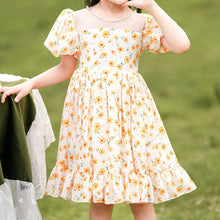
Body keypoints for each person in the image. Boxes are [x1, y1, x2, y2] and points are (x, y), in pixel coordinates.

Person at [0, 0, 197, 219]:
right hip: (94, 115)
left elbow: (181, 45)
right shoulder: (75, 19)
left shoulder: (142, 21)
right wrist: (31, 83)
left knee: (141, 195)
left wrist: (151, 5)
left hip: (132, 113)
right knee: (100, 197)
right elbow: (65, 68)